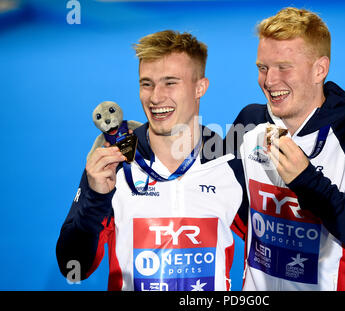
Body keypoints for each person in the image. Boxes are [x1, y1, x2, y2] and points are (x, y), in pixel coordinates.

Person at [227, 7, 345, 290]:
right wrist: (145, 142)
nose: (269, 81)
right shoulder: (250, 122)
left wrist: (308, 182)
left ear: (319, 69)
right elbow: (214, 190)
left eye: (284, 67)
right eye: (263, 67)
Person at [56, 30, 245, 291]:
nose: (155, 97)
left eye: (170, 83)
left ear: (200, 87)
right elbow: (72, 268)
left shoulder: (227, 163)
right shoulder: (116, 162)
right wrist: (95, 200)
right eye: (147, 83)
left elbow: (271, 248)